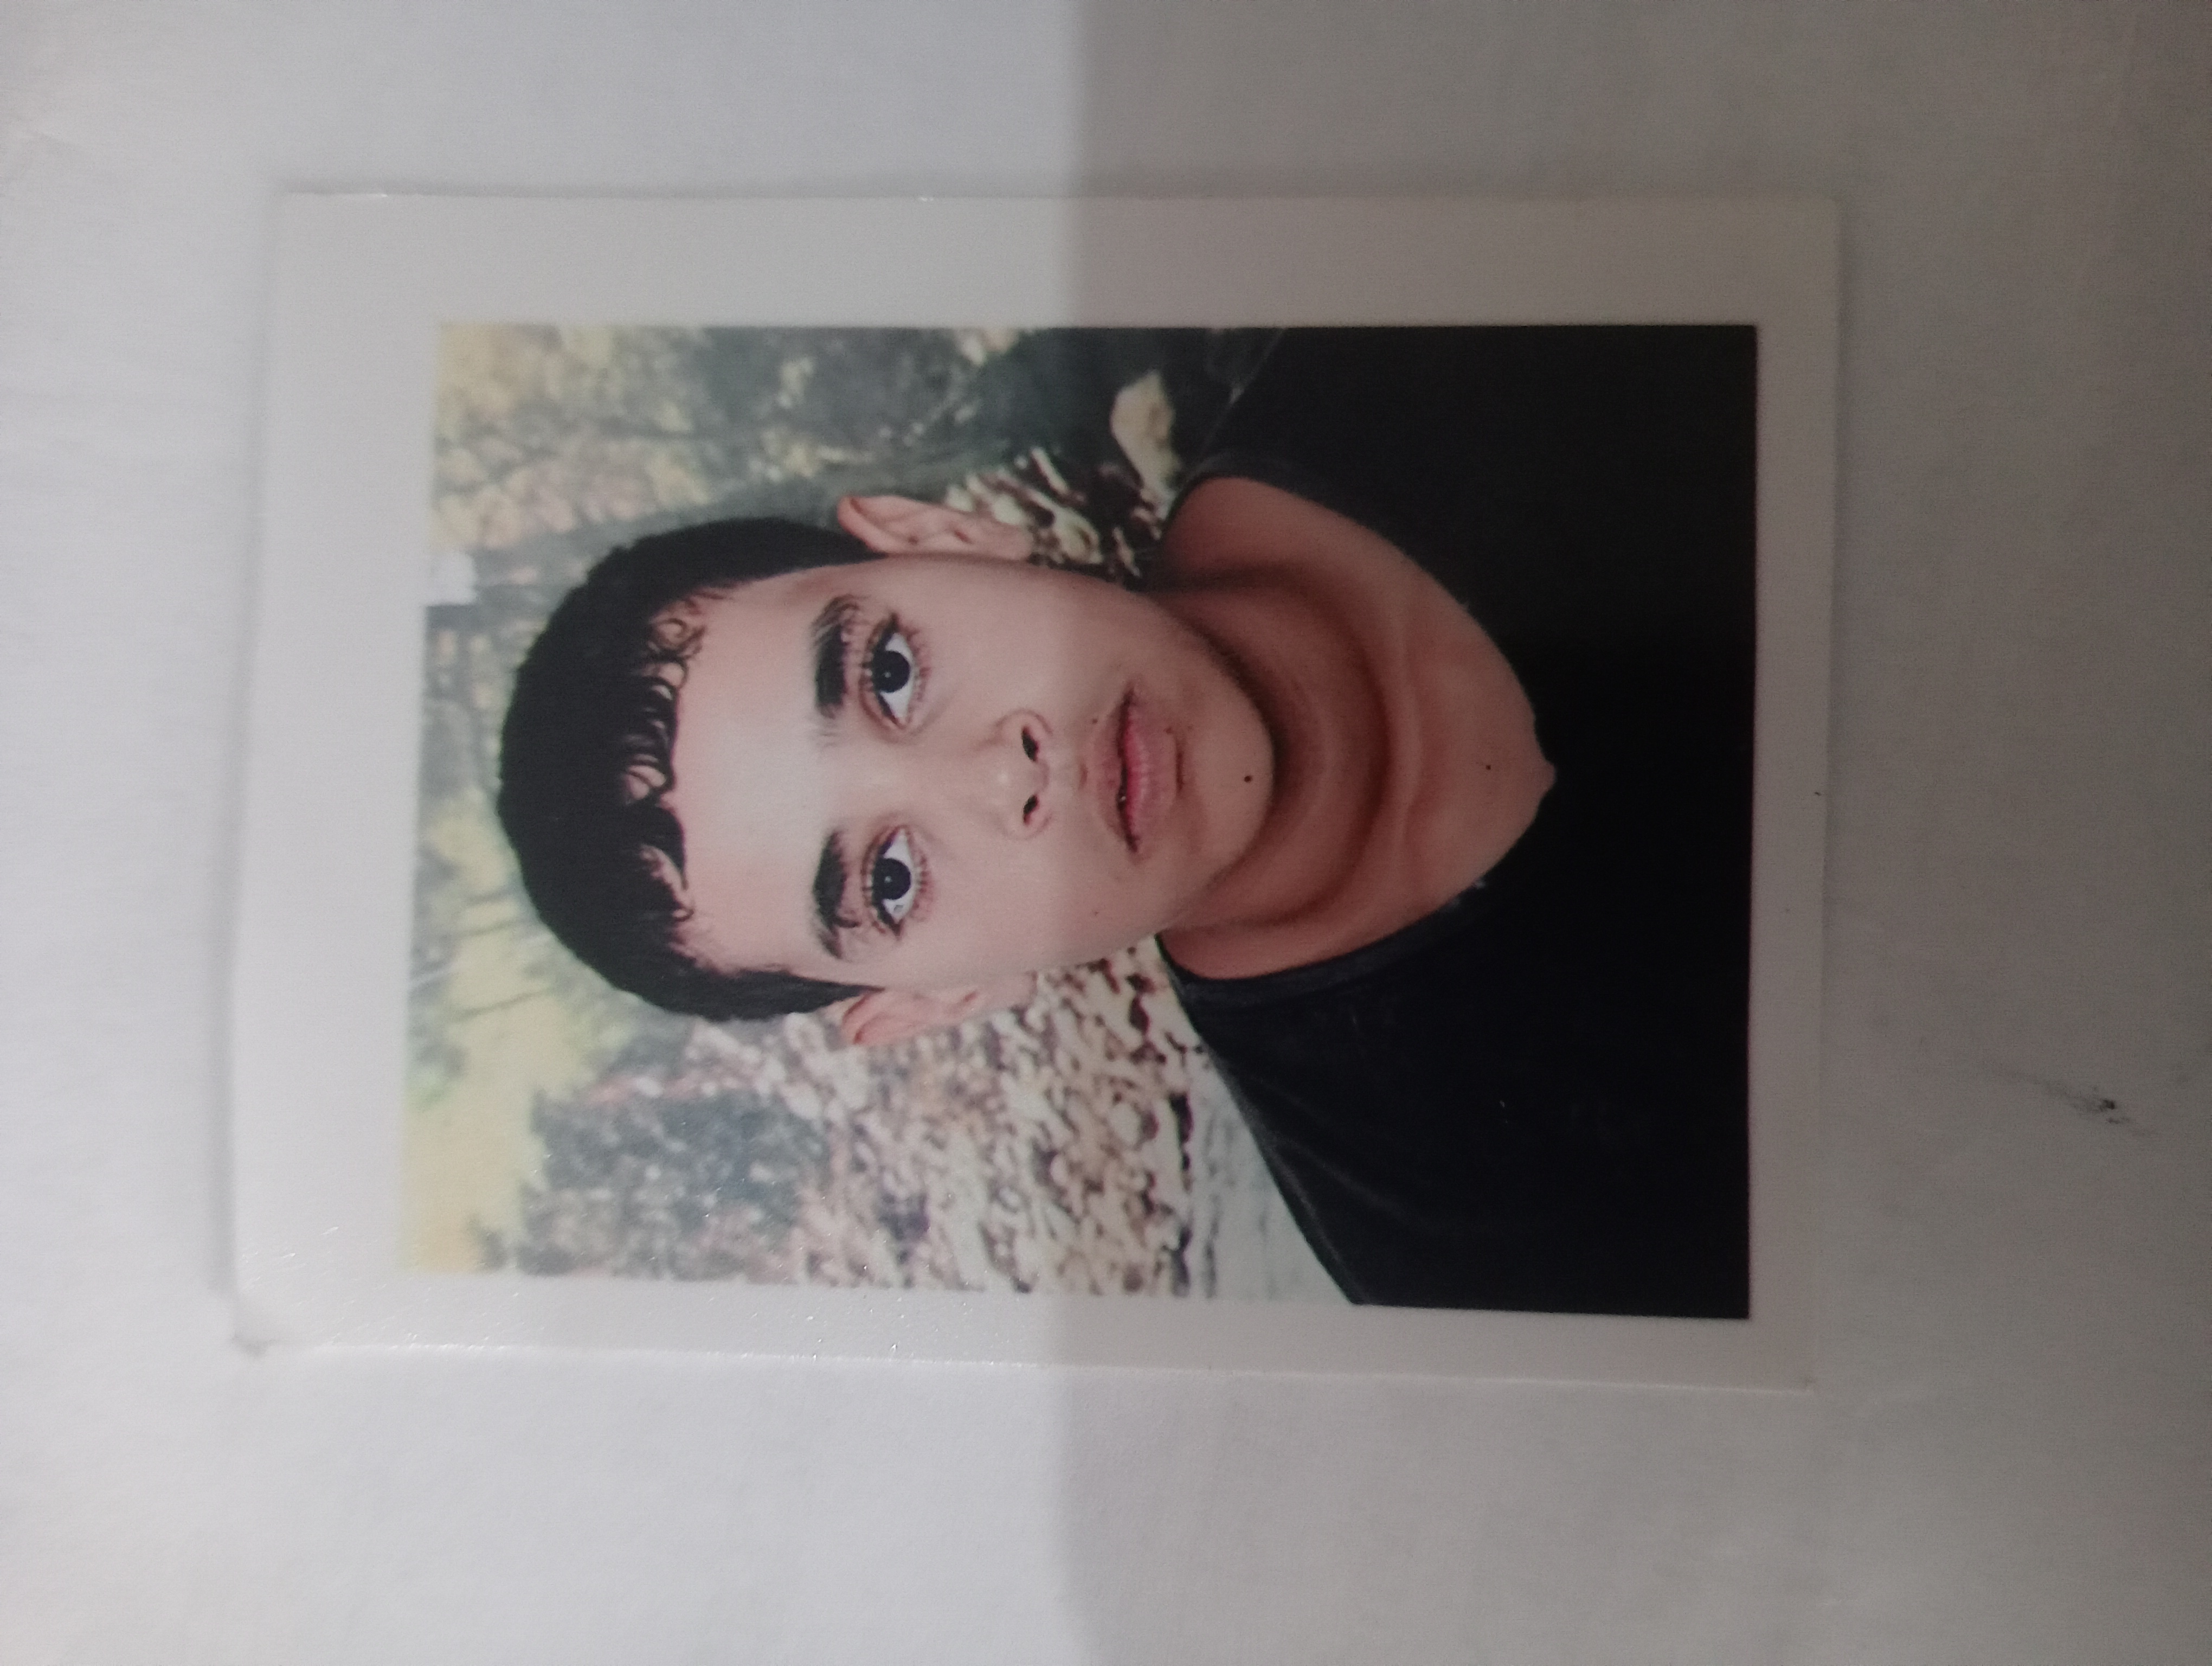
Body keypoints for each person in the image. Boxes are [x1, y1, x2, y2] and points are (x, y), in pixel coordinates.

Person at [498, 328, 1756, 1317]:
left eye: (888, 672)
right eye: (888, 880)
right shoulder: (1476, 1250)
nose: (1003, 775)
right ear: (941, 998)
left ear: (944, 538)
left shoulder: (1486, 331)